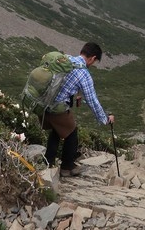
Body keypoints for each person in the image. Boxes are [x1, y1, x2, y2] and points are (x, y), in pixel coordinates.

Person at [42, 42, 115, 177]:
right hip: (57, 107)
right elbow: (93, 101)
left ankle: (48, 162)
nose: (92, 65)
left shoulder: (66, 59)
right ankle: (67, 166)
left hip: (44, 103)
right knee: (71, 131)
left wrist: (76, 94)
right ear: (92, 58)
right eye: (94, 62)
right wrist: (105, 119)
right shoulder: (84, 74)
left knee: (58, 130)